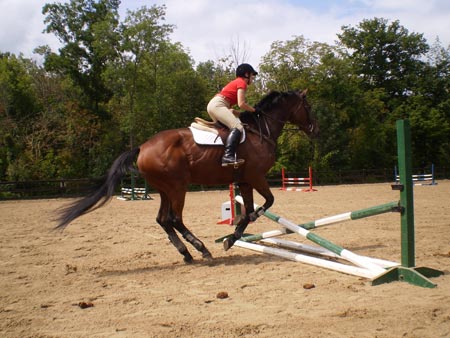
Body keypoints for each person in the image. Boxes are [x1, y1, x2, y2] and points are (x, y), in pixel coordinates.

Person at [207, 63, 258, 167]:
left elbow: (232, 109)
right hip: (219, 105)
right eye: (252, 75)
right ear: (246, 74)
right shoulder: (241, 83)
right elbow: (241, 103)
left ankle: (220, 154)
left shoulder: (235, 82)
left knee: (227, 130)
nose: (253, 78)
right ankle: (228, 156)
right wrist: (254, 111)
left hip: (215, 105)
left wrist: (239, 113)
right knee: (237, 127)